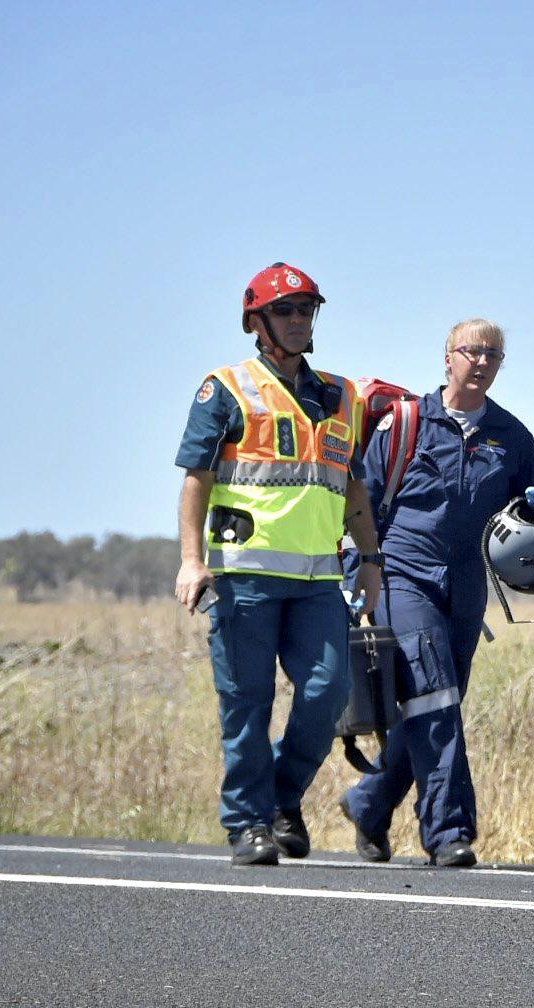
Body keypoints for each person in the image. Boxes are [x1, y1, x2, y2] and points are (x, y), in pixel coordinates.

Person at [174, 262, 382, 866]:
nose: (298, 321)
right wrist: (192, 561)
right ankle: (247, 824)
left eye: (306, 310)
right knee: (248, 700)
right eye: (286, 311)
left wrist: (369, 561)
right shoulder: (226, 388)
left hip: (319, 580)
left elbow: (354, 489)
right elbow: (196, 479)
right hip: (245, 578)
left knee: (328, 692)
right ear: (256, 322)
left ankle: (281, 800)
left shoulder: (343, 396)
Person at [337, 319, 534, 868]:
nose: (481, 362)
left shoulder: (512, 436)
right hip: (402, 573)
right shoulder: (405, 424)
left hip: (465, 584)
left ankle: (369, 803)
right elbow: (359, 499)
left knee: (437, 702)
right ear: (448, 358)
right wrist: (355, 566)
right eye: (471, 352)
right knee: (433, 693)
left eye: (493, 355)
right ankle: (448, 830)